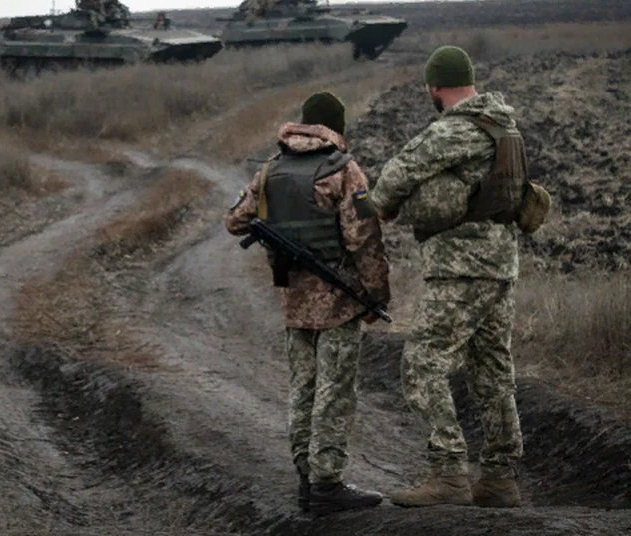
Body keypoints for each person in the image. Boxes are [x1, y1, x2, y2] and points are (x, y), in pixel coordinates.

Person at [369, 46, 529, 509]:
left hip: (461, 267)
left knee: (420, 364)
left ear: (436, 87)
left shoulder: (455, 130)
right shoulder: (505, 126)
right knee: (492, 370)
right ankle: (499, 479)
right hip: (500, 265)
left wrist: (380, 206)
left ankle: (449, 473)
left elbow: (396, 175)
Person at [224, 92, 391, 515]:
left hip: (295, 301)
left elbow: (234, 220)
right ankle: (327, 484)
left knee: (303, 389)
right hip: (339, 302)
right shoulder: (343, 169)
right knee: (334, 392)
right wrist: (376, 293)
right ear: (338, 126)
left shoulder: (271, 168)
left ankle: (306, 477)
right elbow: (364, 237)